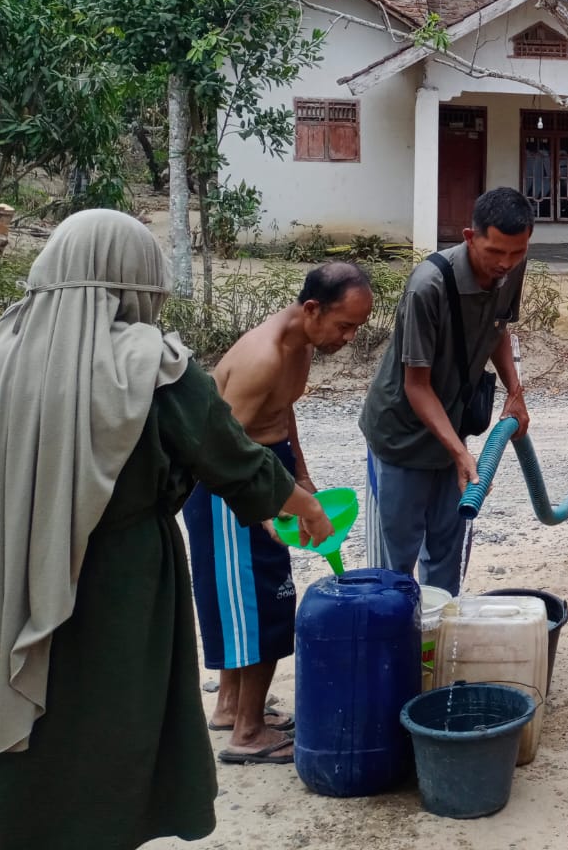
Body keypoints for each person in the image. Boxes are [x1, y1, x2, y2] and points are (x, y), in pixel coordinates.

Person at [0, 210, 333, 850]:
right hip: (119, 579)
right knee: (114, 713)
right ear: (137, 280)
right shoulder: (149, 366)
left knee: (34, 703)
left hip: (17, 559)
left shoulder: (8, 347)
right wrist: (303, 504)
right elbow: (230, 457)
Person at [182, 262, 374, 765]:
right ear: (312, 309)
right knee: (262, 604)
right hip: (230, 488)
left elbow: (282, 410)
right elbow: (220, 450)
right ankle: (247, 735)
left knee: (254, 598)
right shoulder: (263, 356)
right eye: (345, 326)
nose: (350, 338)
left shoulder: (301, 344)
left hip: (266, 469)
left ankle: (229, 706)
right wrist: (268, 504)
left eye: (357, 327)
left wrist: (301, 475)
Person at [361, 187, 532, 592]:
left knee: (445, 555)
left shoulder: (509, 269)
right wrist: (460, 453)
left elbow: (498, 328)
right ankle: (396, 649)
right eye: (495, 252)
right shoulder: (427, 286)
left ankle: (434, 649)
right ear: (470, 236)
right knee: (395, 566)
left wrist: (515, 392)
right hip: (401, 435)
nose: (505, 263)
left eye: (517, 252)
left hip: (452, 425)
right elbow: (416, 386)